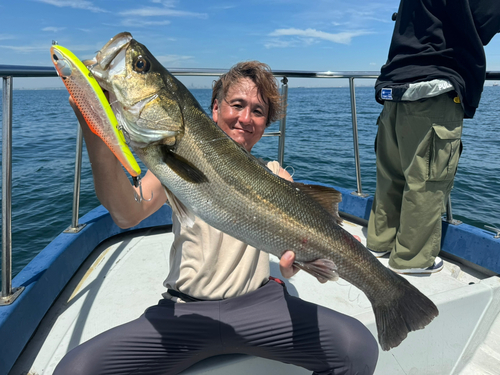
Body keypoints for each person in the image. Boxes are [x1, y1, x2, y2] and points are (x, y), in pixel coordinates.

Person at [54, 61, 378, 375]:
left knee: (358, 348)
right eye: (236, 104)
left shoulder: (276, 175)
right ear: (214, 110)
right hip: (184, 311)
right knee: (75, 369)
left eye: (258, 111)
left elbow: (301, 239)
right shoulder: (175, 164)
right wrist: (94, 131)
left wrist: (300, 263)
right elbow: (127, 213)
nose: (245, 118)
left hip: (261, 306)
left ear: (265, 125)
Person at [367, 0, 500, 274]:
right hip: (434, 89)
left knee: (390, 174)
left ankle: (379, 242)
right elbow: (484, 20)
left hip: (395, 87)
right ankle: (412, 260)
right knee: (426, 183)